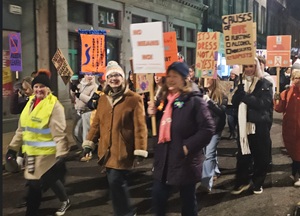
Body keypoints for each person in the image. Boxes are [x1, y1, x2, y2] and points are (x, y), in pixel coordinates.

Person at [147, 61, 215, 216]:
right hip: (164, 158)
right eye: (168, 76)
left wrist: (187, 147)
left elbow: (208, 128)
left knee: (187, 201)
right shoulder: (164, 100)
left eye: (175, 76)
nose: (170, 79)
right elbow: (157, 125)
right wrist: (151, 114)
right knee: (158, 197)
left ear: (184, 78)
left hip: (185, 160)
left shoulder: (194, 100)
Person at [81, 61, 148, 216]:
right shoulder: (103, 99)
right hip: (107, 149)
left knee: (116, 181)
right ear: (106, 79)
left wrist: (140, 149)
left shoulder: (134, 98)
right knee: (115, 183)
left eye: (117, 75)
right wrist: (89, 143)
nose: (114, 78)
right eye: (111, 76)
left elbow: (140, 126)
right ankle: (125, 211)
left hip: (123, 148)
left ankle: (126, 212)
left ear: (123, 78)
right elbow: (96, 124)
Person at [6, 70, 71, 216]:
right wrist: (12, 148)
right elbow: (21, 130)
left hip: (47, 154)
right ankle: (64, 200)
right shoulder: (29, 103)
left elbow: (59, 133)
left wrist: (62, 154)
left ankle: (34, 211)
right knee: (46, 180)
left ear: (48, 88)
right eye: (36, 87)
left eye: (42, 86)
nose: (38, 89)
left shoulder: (54, 106)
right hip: (31, 153)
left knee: (35, 185)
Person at [230, 57, 273, 195]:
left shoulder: (264, 83)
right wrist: (239, 93)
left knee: (261, 157)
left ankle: (258, 182)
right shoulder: (240, 83)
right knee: (243, 156)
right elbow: (234, 102)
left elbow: (263, 104)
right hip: (243, 127)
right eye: (246, 66)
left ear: (257, 67)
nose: (248, 69)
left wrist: (245, 97)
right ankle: (243, 181)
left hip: (259, 126)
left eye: (251, 66)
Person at [200, 77, 228, 192]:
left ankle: (206, 183)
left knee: (209, 155)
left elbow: (221, 112)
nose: (206, 80)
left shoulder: (221, 94)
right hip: (202, 129)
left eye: (209, 78)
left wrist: (210, 102)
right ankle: (215, 170)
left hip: (215, 129)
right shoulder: (199, 92)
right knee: (207, 151)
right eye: (204, 78)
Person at [274, 69, 300, 186]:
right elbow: (279, 109)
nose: (297, 81)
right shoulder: (286, 92)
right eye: (295, 78)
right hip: (291, 129)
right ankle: (296, 174)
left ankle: (297, 175)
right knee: (295, 153)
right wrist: (276, 99)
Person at [70, 74, 98, 148]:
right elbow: (73, 98)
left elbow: (91, 100)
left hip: (87, 112)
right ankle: (80, 146)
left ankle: (87, 150)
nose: (90, 76)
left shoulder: (95, 86)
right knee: (77, 131)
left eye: (92, 75)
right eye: (88, 74)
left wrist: (79, 95)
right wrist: (73, 91)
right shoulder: (80, 85)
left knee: (86, 132)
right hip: (78, 111)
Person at [226, 66, 240, 140]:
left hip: (236, 105)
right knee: (230, 119)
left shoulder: (239, 84)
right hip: (229, 104)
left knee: (237, 120)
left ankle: (237, 134)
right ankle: (232, 132)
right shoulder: (228, 82)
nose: (232, 75)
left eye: (233, 74)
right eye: (231, 73)